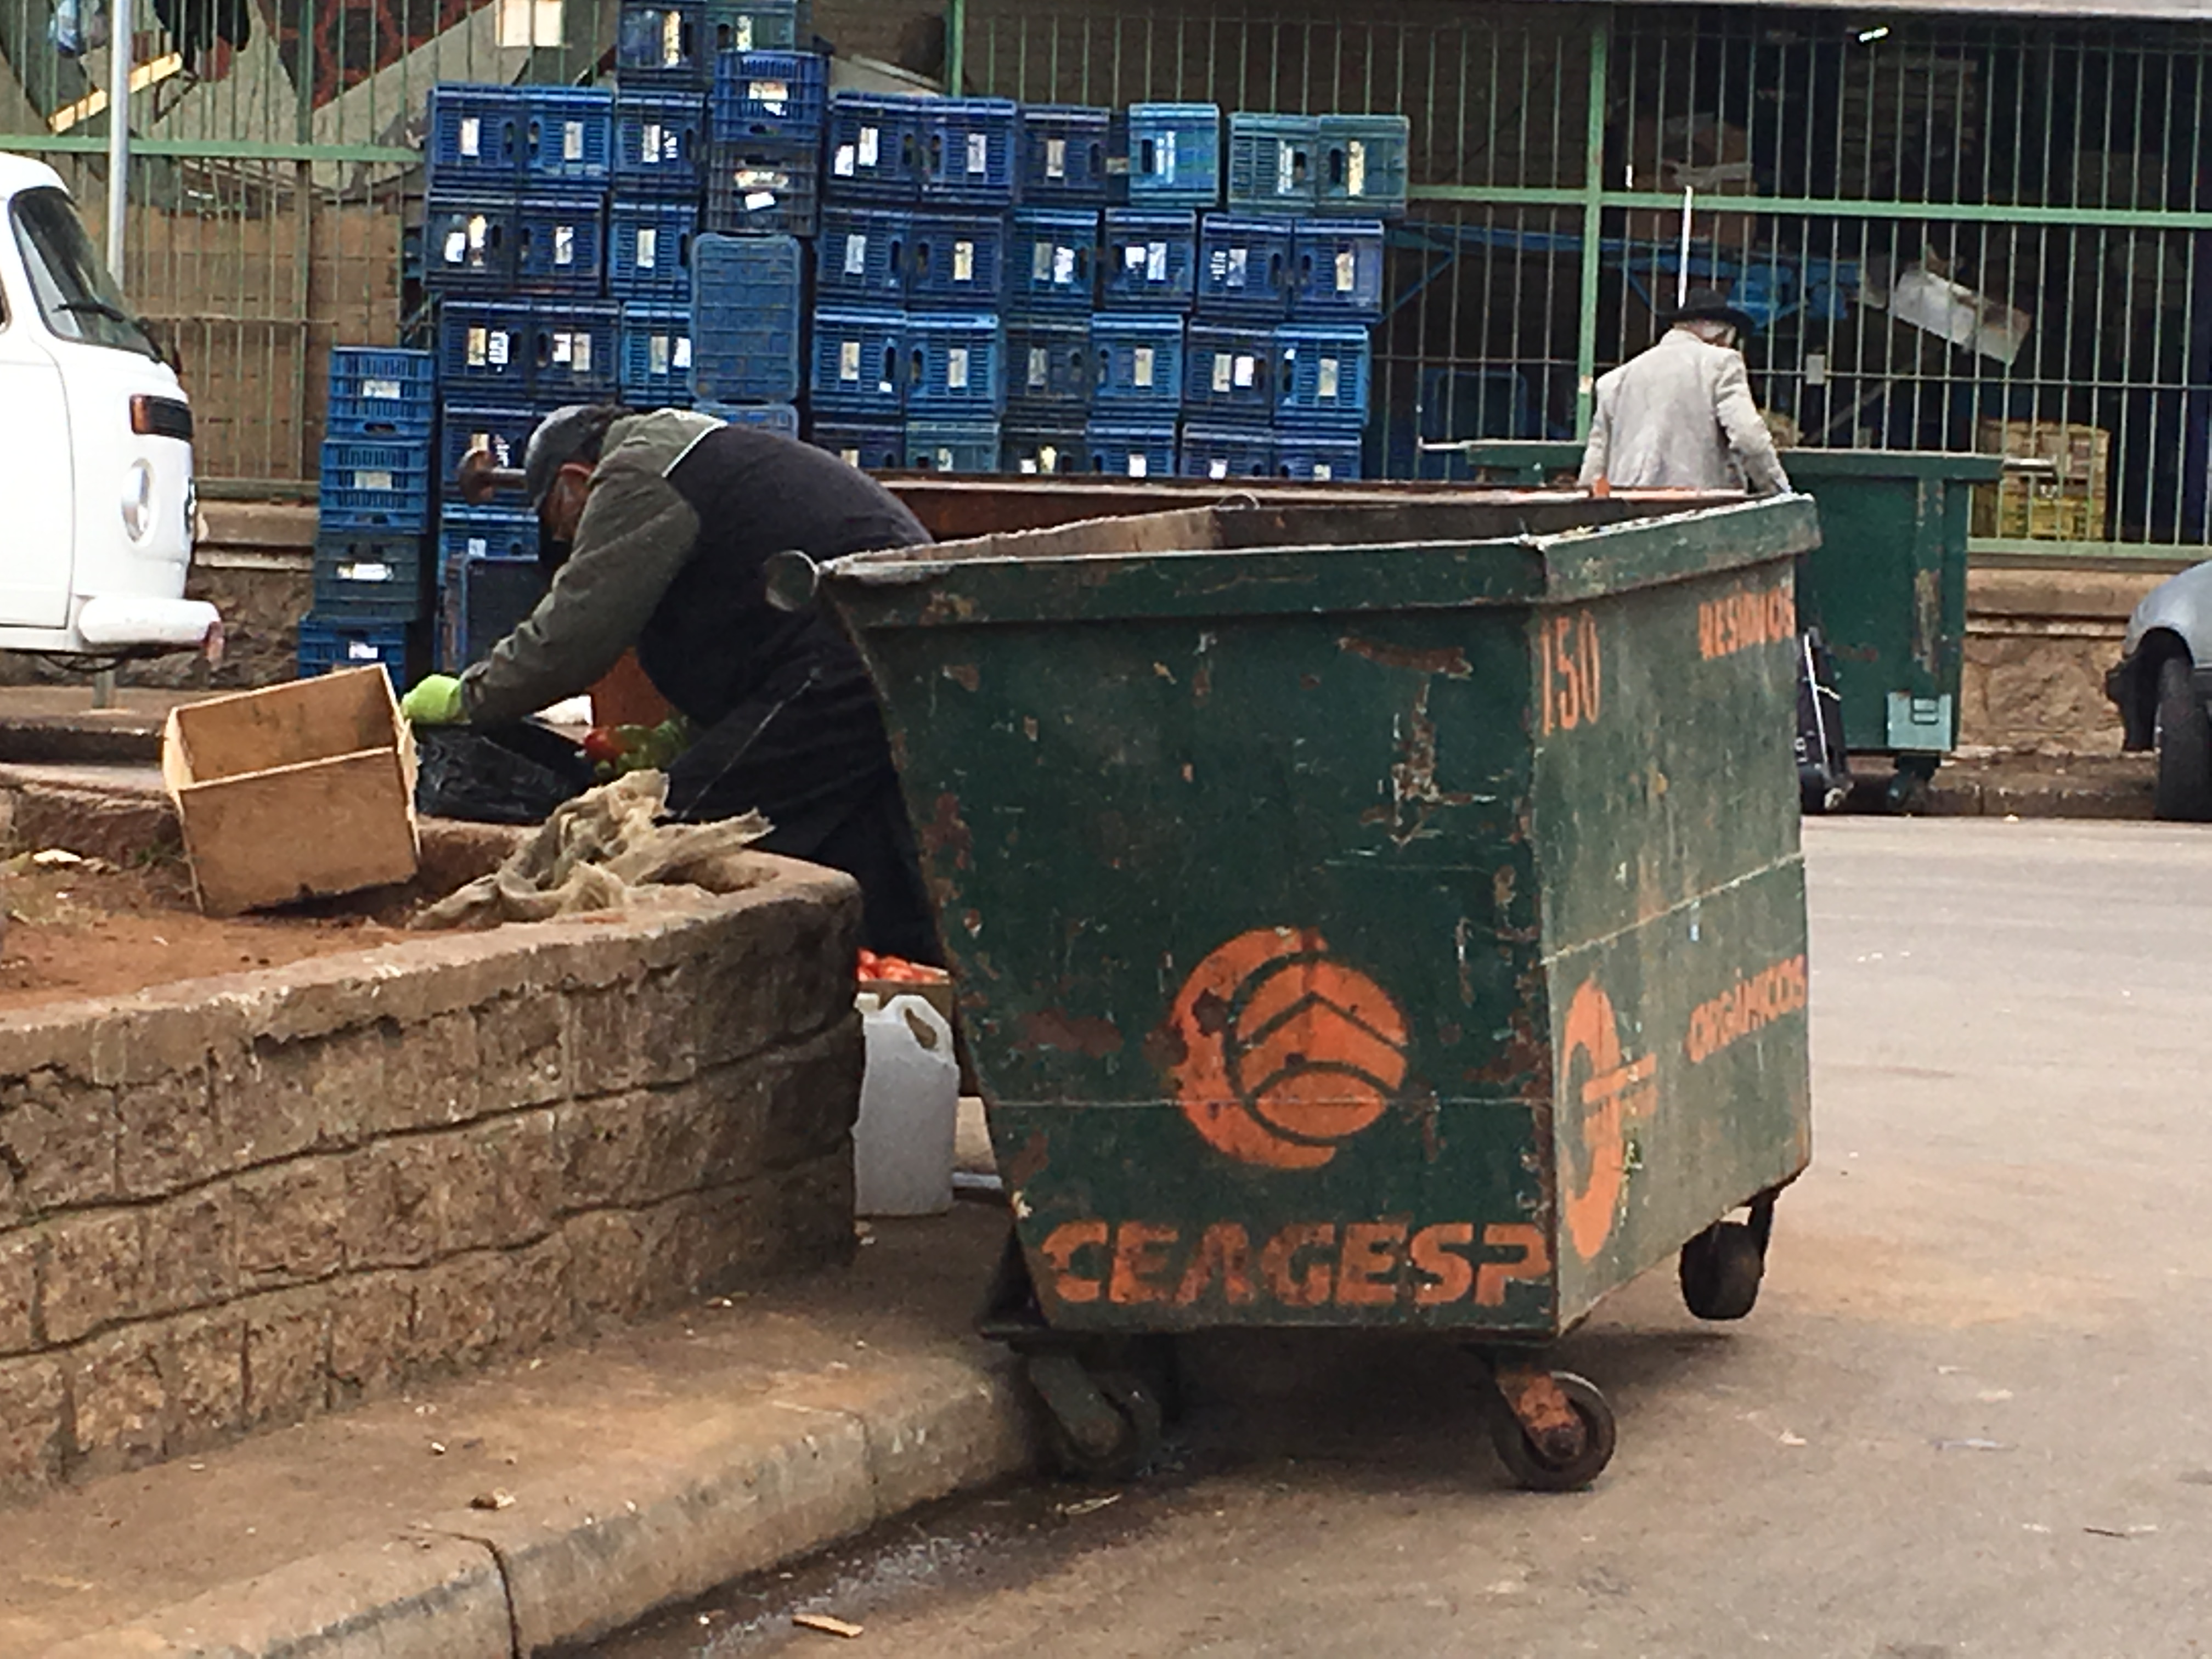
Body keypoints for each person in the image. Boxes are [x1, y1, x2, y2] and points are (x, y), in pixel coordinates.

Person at [400, 405, 941, 962]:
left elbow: (576, 633)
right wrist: (682, 736)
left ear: (574, 482)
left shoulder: (638, 474)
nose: (571, 543)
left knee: (674, 831)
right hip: (886, 641)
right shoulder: (694, 464)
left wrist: (471, 697)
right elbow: (738, 619)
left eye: (564, 528)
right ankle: (920, 994)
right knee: (865, 855)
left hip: (850, 648)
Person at [1579, 288, 1791, 496]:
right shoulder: (1721, 363)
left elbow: (1596, 462)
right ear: (1722, 335)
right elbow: (1749, 438)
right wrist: (1779, 490)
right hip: (1695, 506)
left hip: (1625, 507)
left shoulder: (1616, 379)